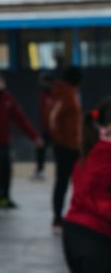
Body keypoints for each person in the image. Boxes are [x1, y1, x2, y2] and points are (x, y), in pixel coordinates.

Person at [0, 71, 43, 211]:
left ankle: (4, 199)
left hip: (3, 142)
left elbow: (20, 119)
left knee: (6, 171)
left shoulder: (7, 98)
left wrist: (34, 136)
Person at [61, 99, 111, 273]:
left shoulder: (90, 153)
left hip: (75, 232)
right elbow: (95, 197)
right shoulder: (105, 154)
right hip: (95, 237)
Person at [49, 66, 83, 232]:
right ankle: (58, 217)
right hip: (66, 146)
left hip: (72, 145)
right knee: (63, 181)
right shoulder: (65, 93)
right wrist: (61, 140)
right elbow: (53, 118)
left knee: (76, 180)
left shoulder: (70, 93)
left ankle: (75, 215)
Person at [32, 71, 56, 181]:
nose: (43, 84)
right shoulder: (43, 94)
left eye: (44, 81)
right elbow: (43, 112)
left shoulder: (57, 93)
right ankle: (40, 171)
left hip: (57, 130)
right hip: (46, 129)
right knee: (40, 148)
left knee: (61, 152)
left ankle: (66, 172)